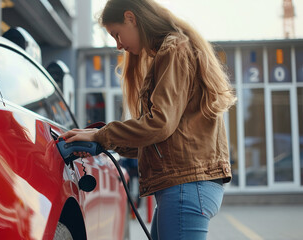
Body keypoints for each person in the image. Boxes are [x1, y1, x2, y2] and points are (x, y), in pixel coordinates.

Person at [60, 0, 236, 239]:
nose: (119, 45)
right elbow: (159, 140)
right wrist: (100, 142)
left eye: (117, 34)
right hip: (186, 185)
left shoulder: (174, 49)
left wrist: (102, 135)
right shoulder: (174, 49)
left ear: (131, 18)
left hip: (186, 186)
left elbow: (159, 124)